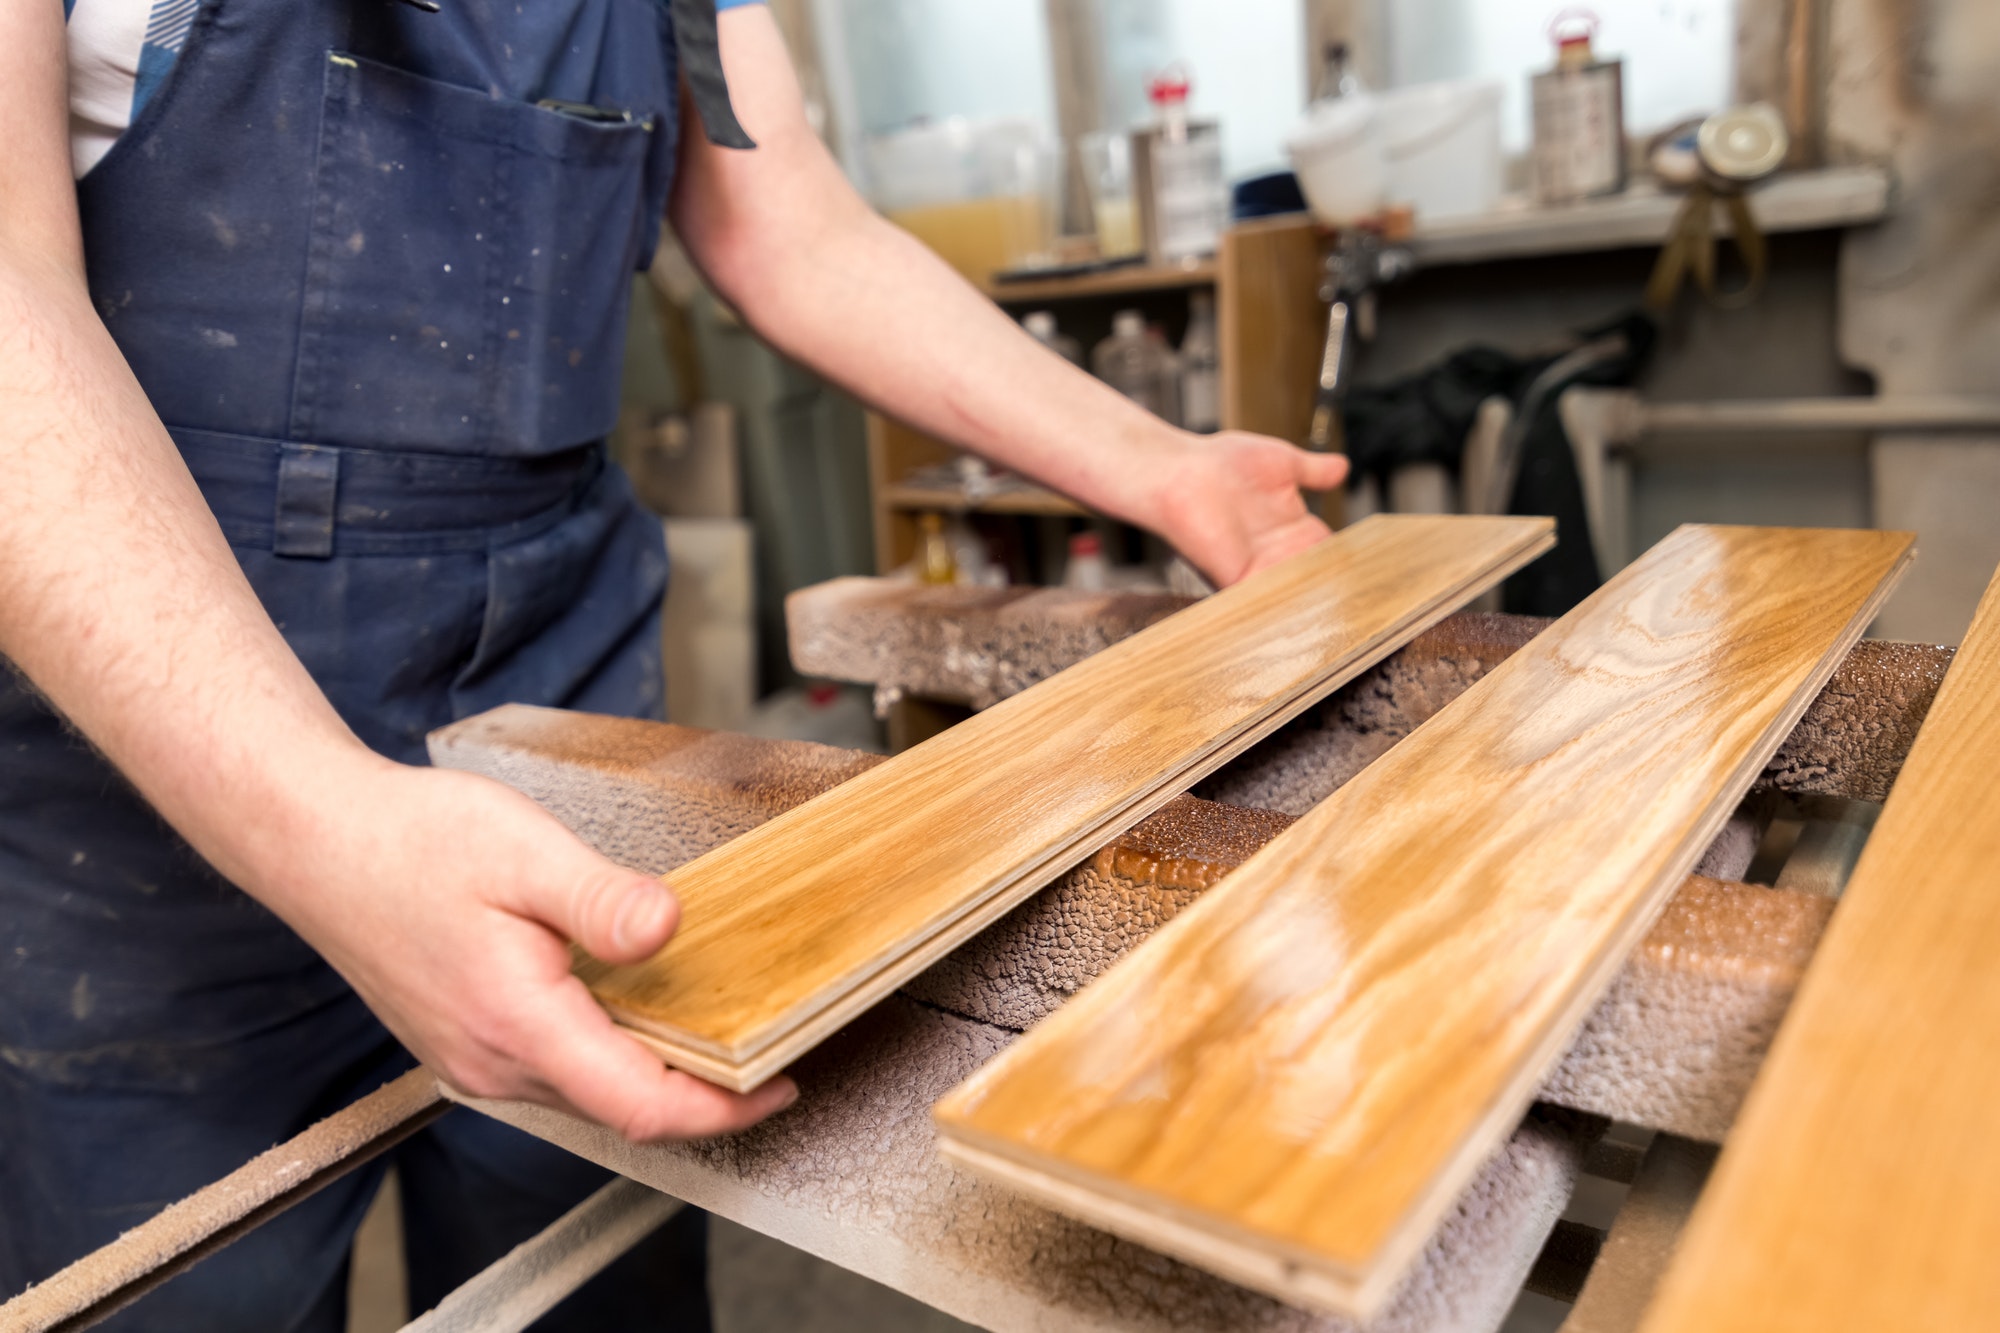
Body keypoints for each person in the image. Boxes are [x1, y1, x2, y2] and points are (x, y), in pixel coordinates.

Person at [0, 0, 1350, 1326]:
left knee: (592, 1274)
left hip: (555, 711)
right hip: (147, 805)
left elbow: (798, 231)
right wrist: (309, 815)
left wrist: (1160, 469)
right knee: (186, 1287)